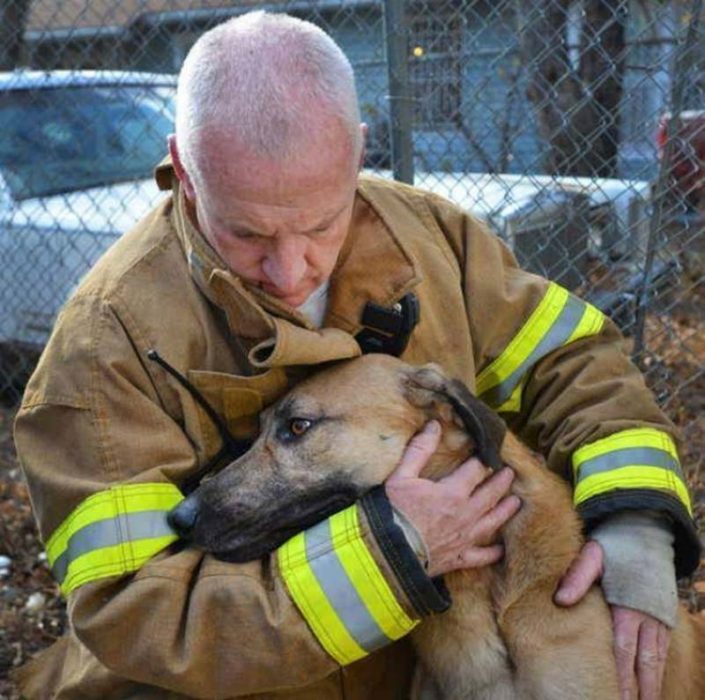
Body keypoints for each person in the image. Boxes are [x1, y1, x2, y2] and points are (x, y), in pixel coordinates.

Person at [13, 11, 698, 700]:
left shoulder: (435, 236)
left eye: (320, 223)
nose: (289, 270)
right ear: (185, 173)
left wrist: (634, 516)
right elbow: (140, 617)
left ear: (357, 152)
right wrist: (393, 551)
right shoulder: (105, 347)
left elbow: (572, 366)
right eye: (246, 232)